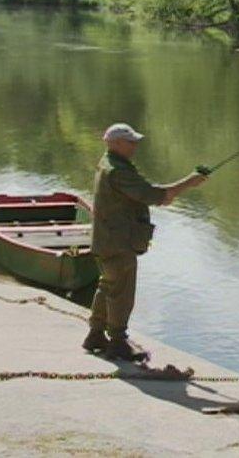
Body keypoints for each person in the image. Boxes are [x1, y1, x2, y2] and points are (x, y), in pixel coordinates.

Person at [82, 123, 208, 360]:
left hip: (107, 240)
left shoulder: (109, 163)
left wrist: (171, 191)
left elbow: (146, 192)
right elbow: (151, 195)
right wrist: (188, 183)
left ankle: (95, 334)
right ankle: (118, 342)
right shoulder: (118, 170)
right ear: (116, 143)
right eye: (131, 142)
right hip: (119, 243)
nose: (135, 146)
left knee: (108, 285)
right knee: (121, 292)